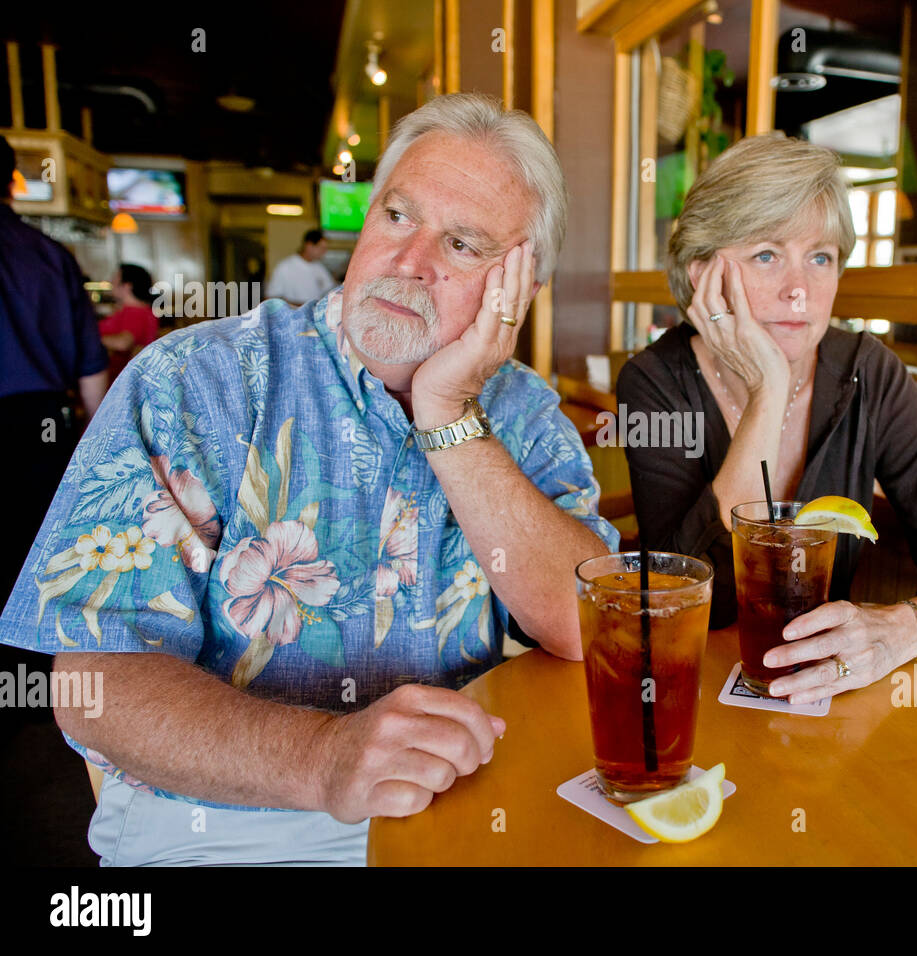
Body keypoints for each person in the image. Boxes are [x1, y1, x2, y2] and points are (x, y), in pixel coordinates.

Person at [0, 93, 617, 865]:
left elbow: (589, 624)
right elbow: (97, 685)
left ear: (519, 289)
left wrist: (448, 413)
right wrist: (321, 759)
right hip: (229, 819)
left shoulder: (521, 411)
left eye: (461, 244)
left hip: (461, 805)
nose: (408, 260)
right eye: (397, 216)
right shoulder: (198, 381)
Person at [617, 133, 917, 706]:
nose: (800, 292)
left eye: (821, 258)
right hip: (690, 696)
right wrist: (769, 391)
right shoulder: (654, 383)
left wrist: (902, 632)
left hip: (829, 709)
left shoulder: (869, 373)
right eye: (767, 254)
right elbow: (690, 598)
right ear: (702, 276)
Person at [0, 134, 110, 743]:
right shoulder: (45, 254)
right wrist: (102, 453)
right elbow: (91, 368)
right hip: (39, 425)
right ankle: (36, 693)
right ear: (13, 182)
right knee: (39, 559)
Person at [99, 262, 160, 382]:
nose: (111, 282)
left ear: (127, 286)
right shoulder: (136, 310)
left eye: (114, 279)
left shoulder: (135, 312)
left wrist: (88, 339)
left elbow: (123, 343)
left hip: (120, 381)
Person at [266, 228, 336, 307]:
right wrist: (302, 306)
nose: (324, 252)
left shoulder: (320, 268)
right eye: (321, 248)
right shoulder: (285, 267)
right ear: (309, 246)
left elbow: (330, 290)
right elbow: (271, 298)